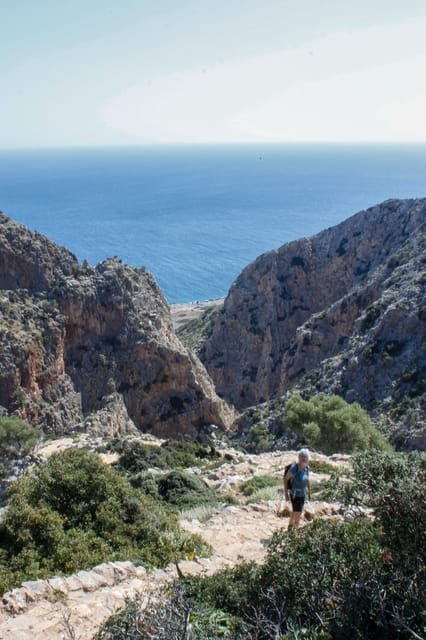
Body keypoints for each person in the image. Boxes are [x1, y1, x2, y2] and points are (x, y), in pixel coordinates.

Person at [284, 448, 311, 531]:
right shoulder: (294, 468)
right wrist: (286, 494)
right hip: (295, 494)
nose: (303, 458)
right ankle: (295, 532)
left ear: (308, 458)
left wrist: (310, 492)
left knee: (295, 511)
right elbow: (286, 479)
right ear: (299, 457)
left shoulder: (306, 468)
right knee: (298, 513)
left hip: (303, 494)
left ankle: (290, 526)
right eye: (302, 456)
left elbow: (307, 480)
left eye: (305, 457)